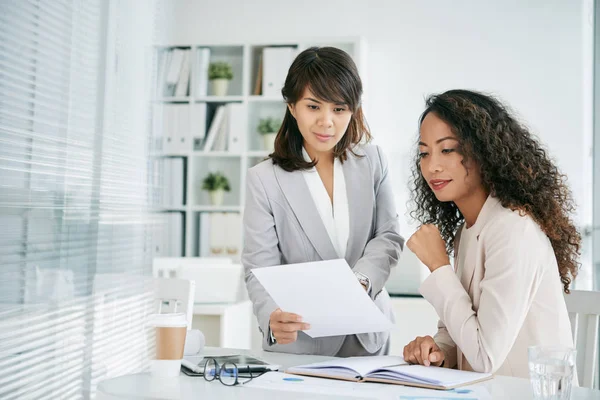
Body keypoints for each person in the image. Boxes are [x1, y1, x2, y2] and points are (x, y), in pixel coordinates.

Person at [403, 89, 580, 378]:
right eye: (424, 153)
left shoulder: (513, 230)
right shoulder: (468, 230)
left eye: (447, 149)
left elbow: (485, 356)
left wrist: (438, 266)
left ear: (484, 151)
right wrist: (436, 351)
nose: (432, 165)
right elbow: (459, 332)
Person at [242, 47, 404, 356]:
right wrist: (271, 315)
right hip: (302, 343)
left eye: (339, 109)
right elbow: (258, 266)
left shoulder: (373, 161)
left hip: (367, 338)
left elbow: (388, 236)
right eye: (313, 106)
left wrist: (361, 281)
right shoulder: (264, 179)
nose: (326, 122)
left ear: (353, 110)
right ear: (292, 107)